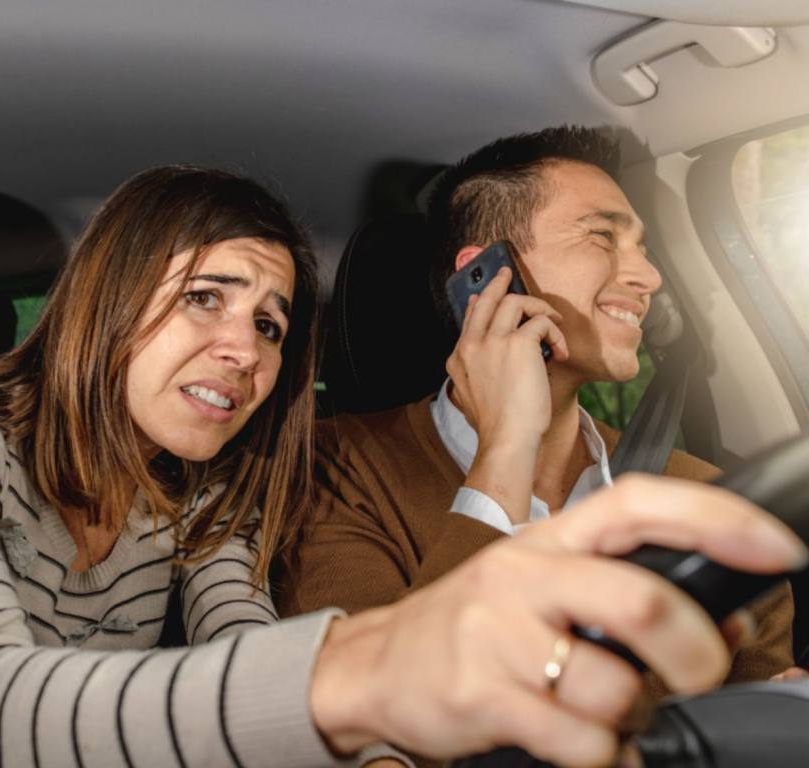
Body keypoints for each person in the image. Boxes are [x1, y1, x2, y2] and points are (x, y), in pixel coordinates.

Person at [0, 164, 804, 768]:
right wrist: (362, 672)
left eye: (270, 324)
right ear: (102, 299)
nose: (246, 350)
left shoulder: (207, 489)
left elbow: (244, 639)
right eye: (204, 298)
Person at [277, 126, 796, 693]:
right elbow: (382, 709)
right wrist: (505, 448)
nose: (649, 278)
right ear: (489, 276)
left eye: (644, 250)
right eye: (602, 236)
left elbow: (757, 714)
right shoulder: (329, 468)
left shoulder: (705, 497)